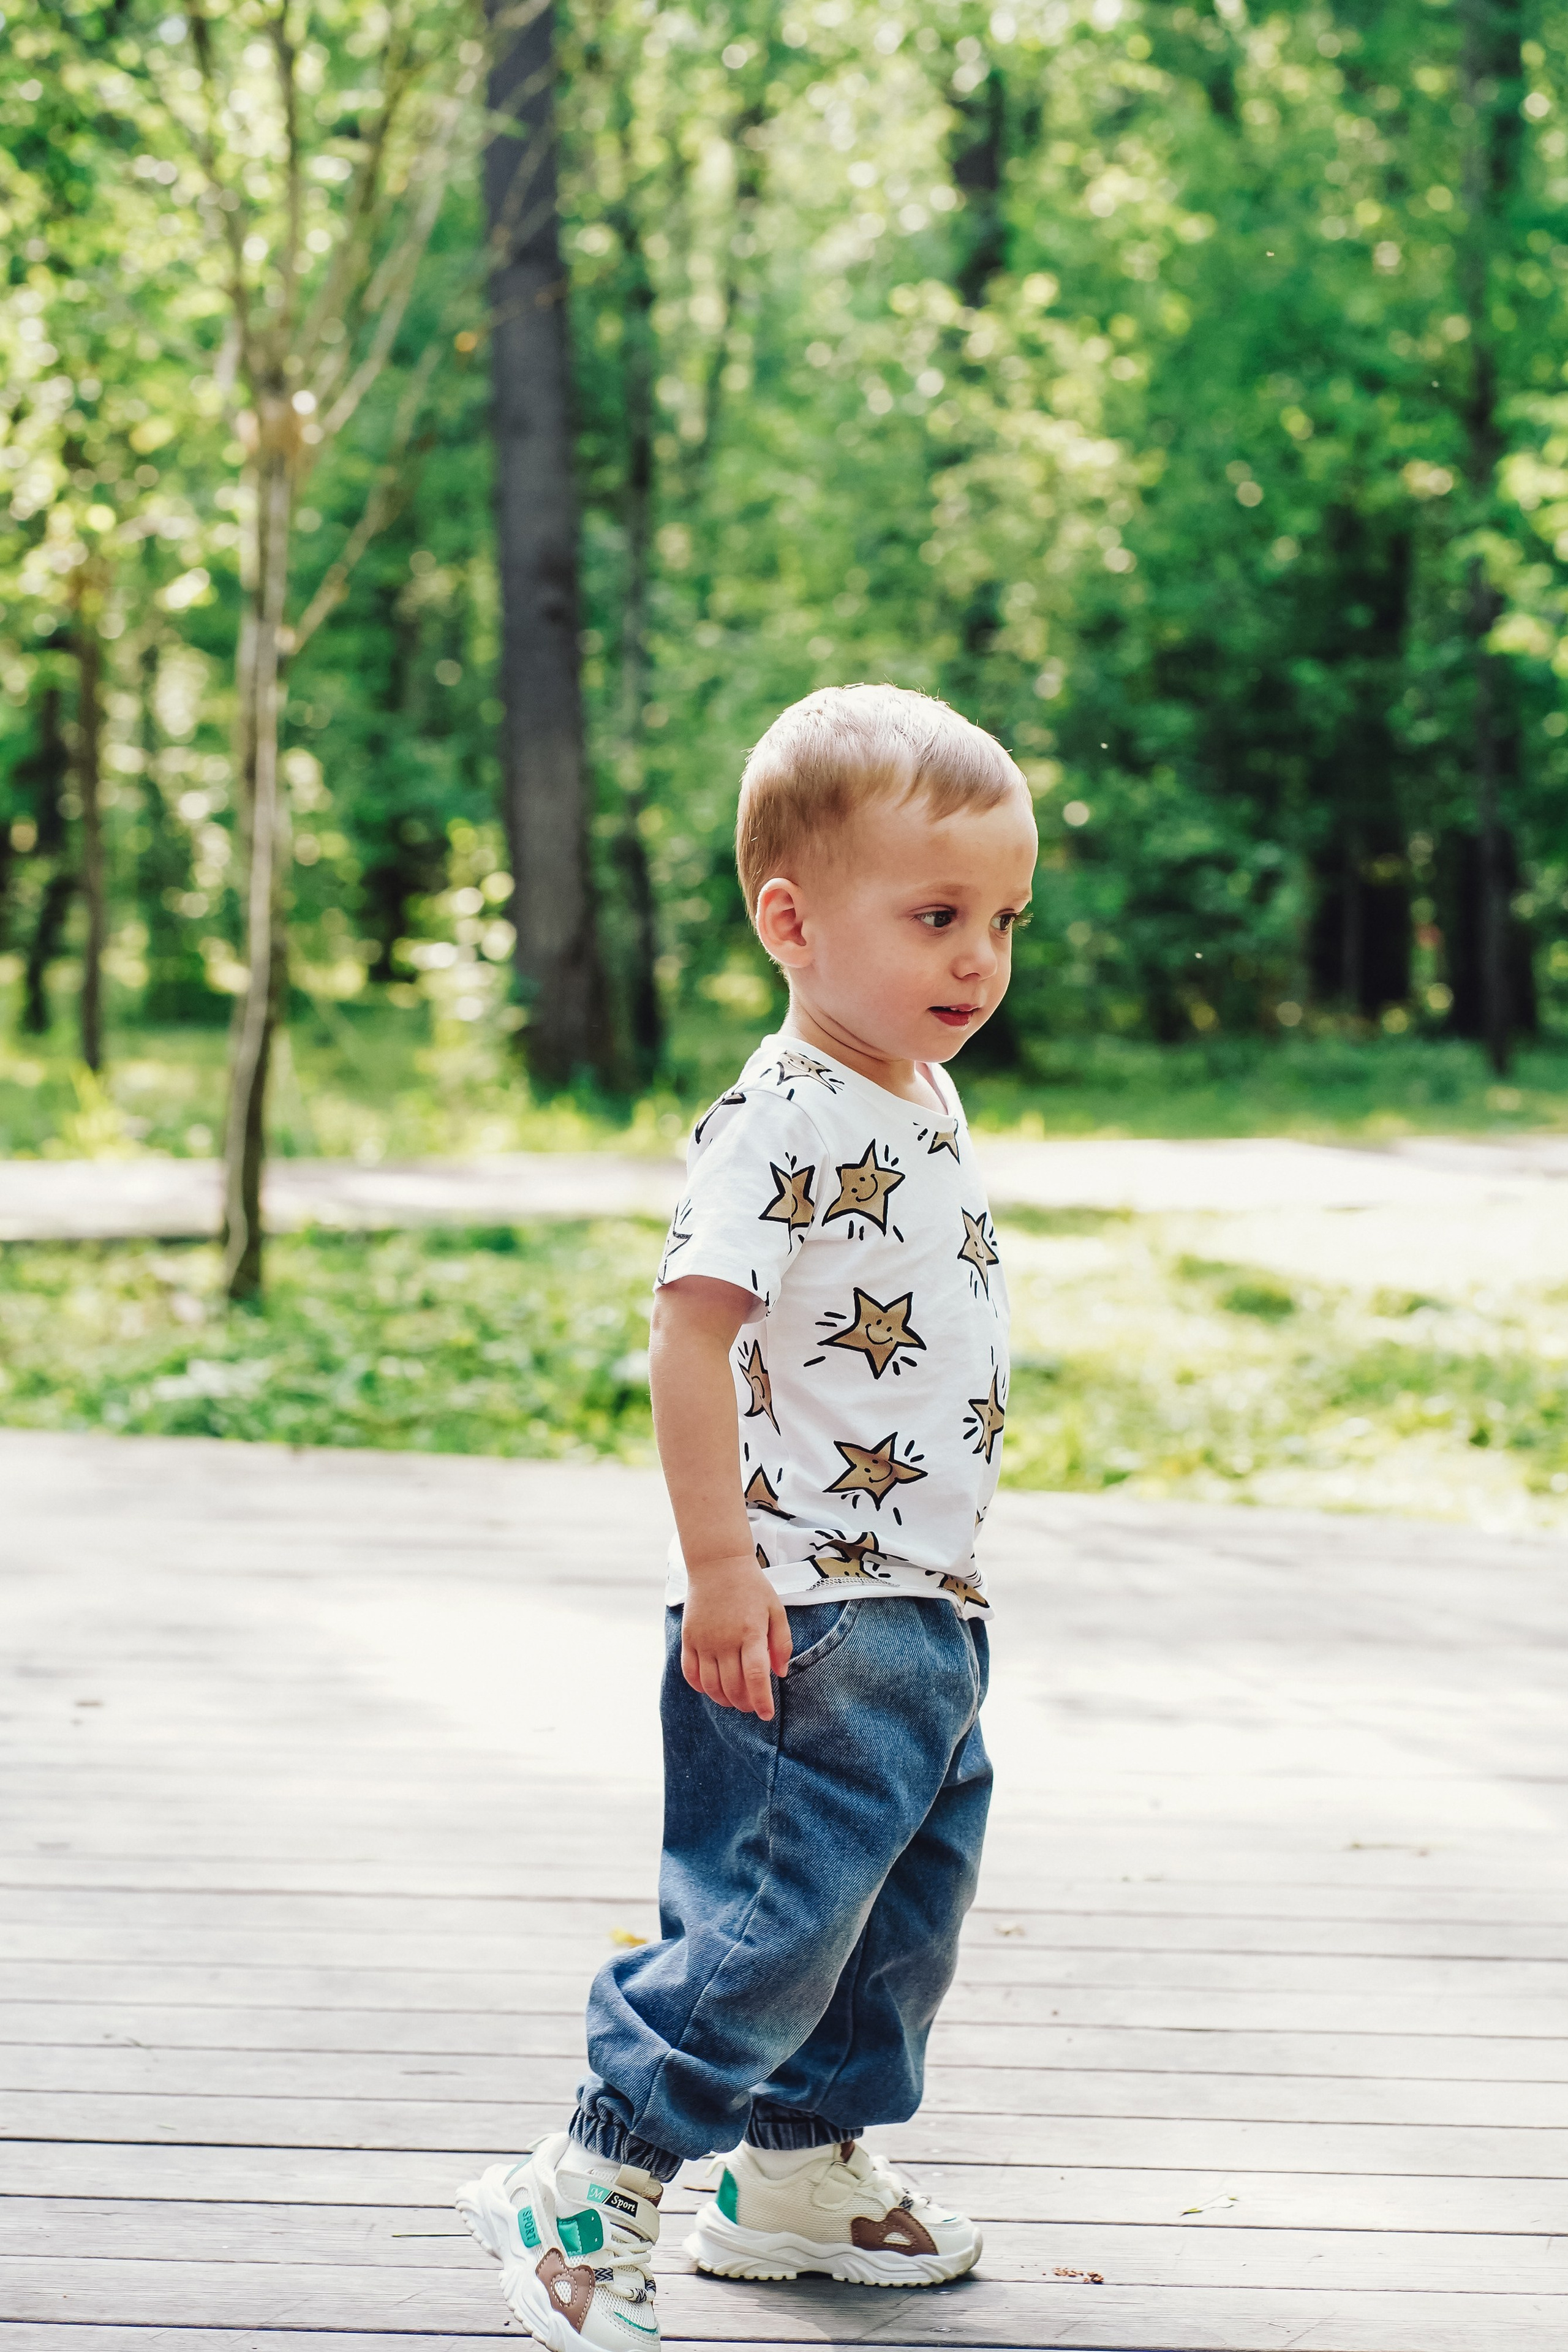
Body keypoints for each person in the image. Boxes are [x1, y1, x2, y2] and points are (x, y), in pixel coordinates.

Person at [456, 683, 1037, 2350]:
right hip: (799, 1600)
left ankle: (791, 2170)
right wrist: (721, 1569)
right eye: (935, 917)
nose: (978, 958)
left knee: (893, 1908)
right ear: (791, 921)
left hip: (920, 1597)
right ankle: (595, 2171)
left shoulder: (913, 1092)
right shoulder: (779, 1117)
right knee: (777, 1911)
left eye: (1000, 919)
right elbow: (690, 1335)